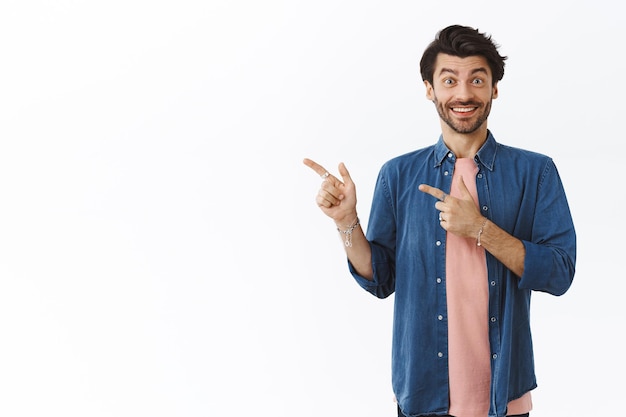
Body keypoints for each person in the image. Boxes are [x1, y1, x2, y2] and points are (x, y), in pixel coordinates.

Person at [303, 24, 576, 417]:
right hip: (421, 393)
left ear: (494, 88)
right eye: (449, 80)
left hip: (505, 397)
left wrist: (480, 228)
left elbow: (560, 272)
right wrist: (347, 222)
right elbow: (380, 279)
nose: (463, 94)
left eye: (477, 80)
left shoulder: (536, 173)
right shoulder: (398, 175)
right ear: (430, 89)